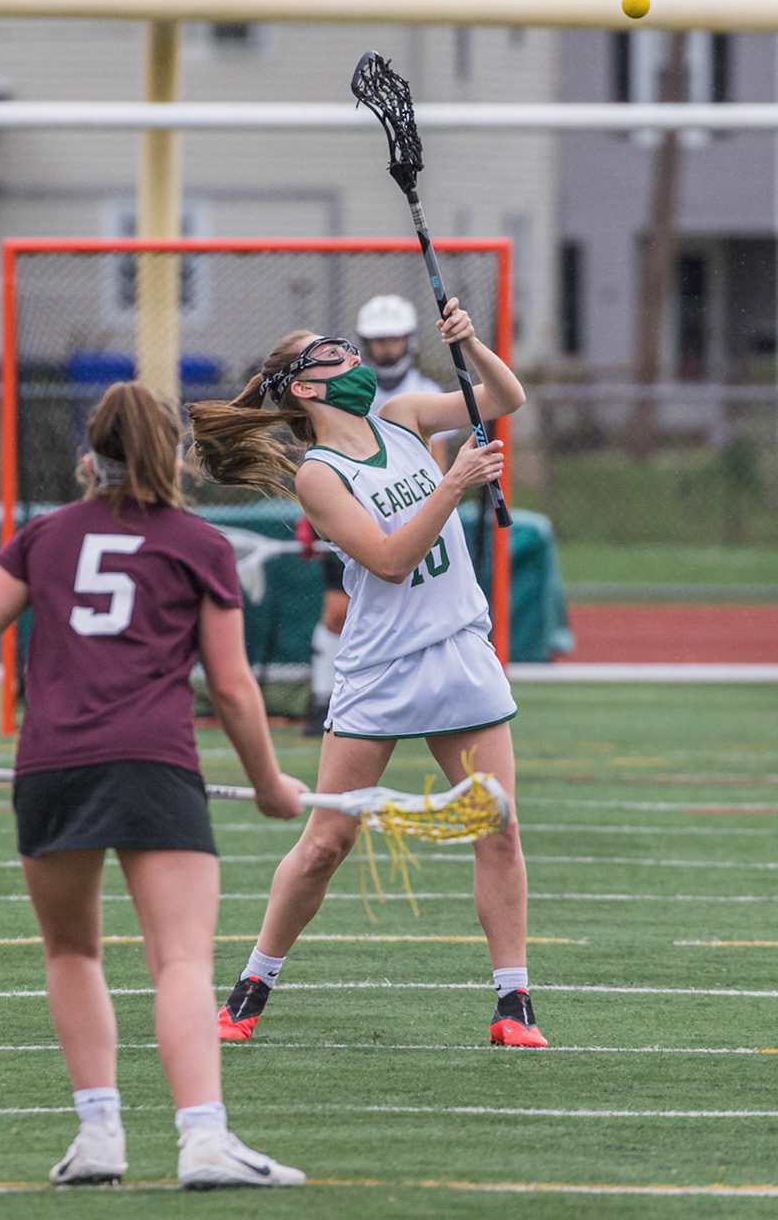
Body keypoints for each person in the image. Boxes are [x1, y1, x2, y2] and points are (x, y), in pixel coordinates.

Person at [0, 381, 309, 1190]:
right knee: (180, 960)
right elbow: (232, 687)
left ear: (89, 457)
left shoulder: (43, 536)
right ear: (172, 457)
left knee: (71, 951)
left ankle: (99, 1133)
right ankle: (203, 1139)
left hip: (51, 766)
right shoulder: (200, 544)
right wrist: (270, 784)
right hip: (154, 764)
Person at [188, 298, 547, 1049]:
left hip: (459, 649)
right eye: (333, 354)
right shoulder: (319, 475)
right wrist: (454, 484)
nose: (352, 358)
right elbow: (387, 560)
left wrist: (471, 343)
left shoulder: (406, 417)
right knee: (327, 843)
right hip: (381, 668)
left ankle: (513, 1004)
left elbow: (505, 397)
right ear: (304, 387)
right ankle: (251, 986)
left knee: (498, 826)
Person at [303, 295, 450, 736]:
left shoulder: (420, 393)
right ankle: (324, 696)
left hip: (406, 515)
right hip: (357, 513)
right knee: (338, 610)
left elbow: (436, 464)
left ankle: (414, 694)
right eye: (379, 340)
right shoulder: (345, 392)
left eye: (394, 339)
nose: (387, 348)